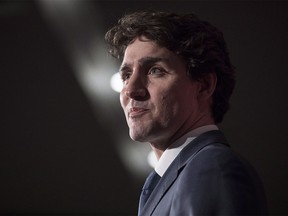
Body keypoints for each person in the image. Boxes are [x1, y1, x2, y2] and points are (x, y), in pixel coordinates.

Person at [105, 10, 267, 216]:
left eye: (155, 70)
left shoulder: (212, 169)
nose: (130, 89)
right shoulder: (179, 175)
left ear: (204, 85)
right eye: (126, 75)